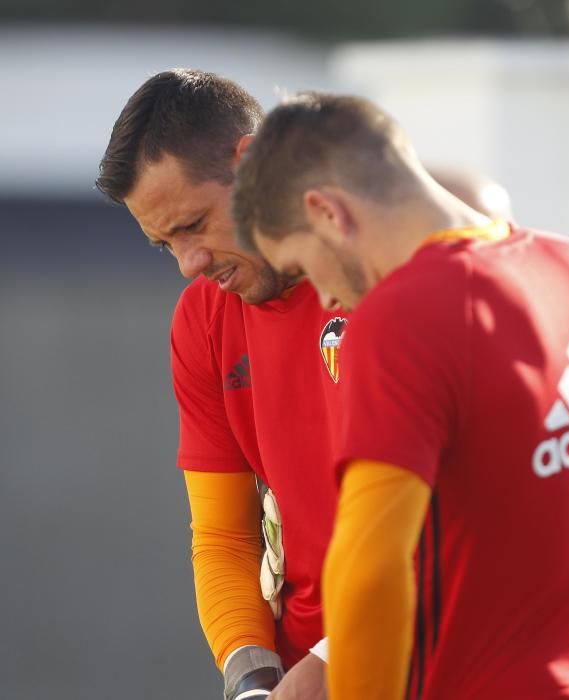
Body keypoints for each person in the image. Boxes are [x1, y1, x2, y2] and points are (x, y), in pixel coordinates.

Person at [97, 71, 514, 700]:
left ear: (251, 163)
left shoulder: (408, 276)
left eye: (193, 224)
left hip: (444, 660)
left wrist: (326, 667)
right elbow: (222, 535)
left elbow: (464, 516)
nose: (190, 263)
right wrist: (254, 682)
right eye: (165, 245)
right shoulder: (202, 320)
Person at [233, 92, 569, 700]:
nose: (328, 300)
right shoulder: (564, 263)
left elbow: (369, 575)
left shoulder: (403, 319)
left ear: (327, 212)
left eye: (305, 268)